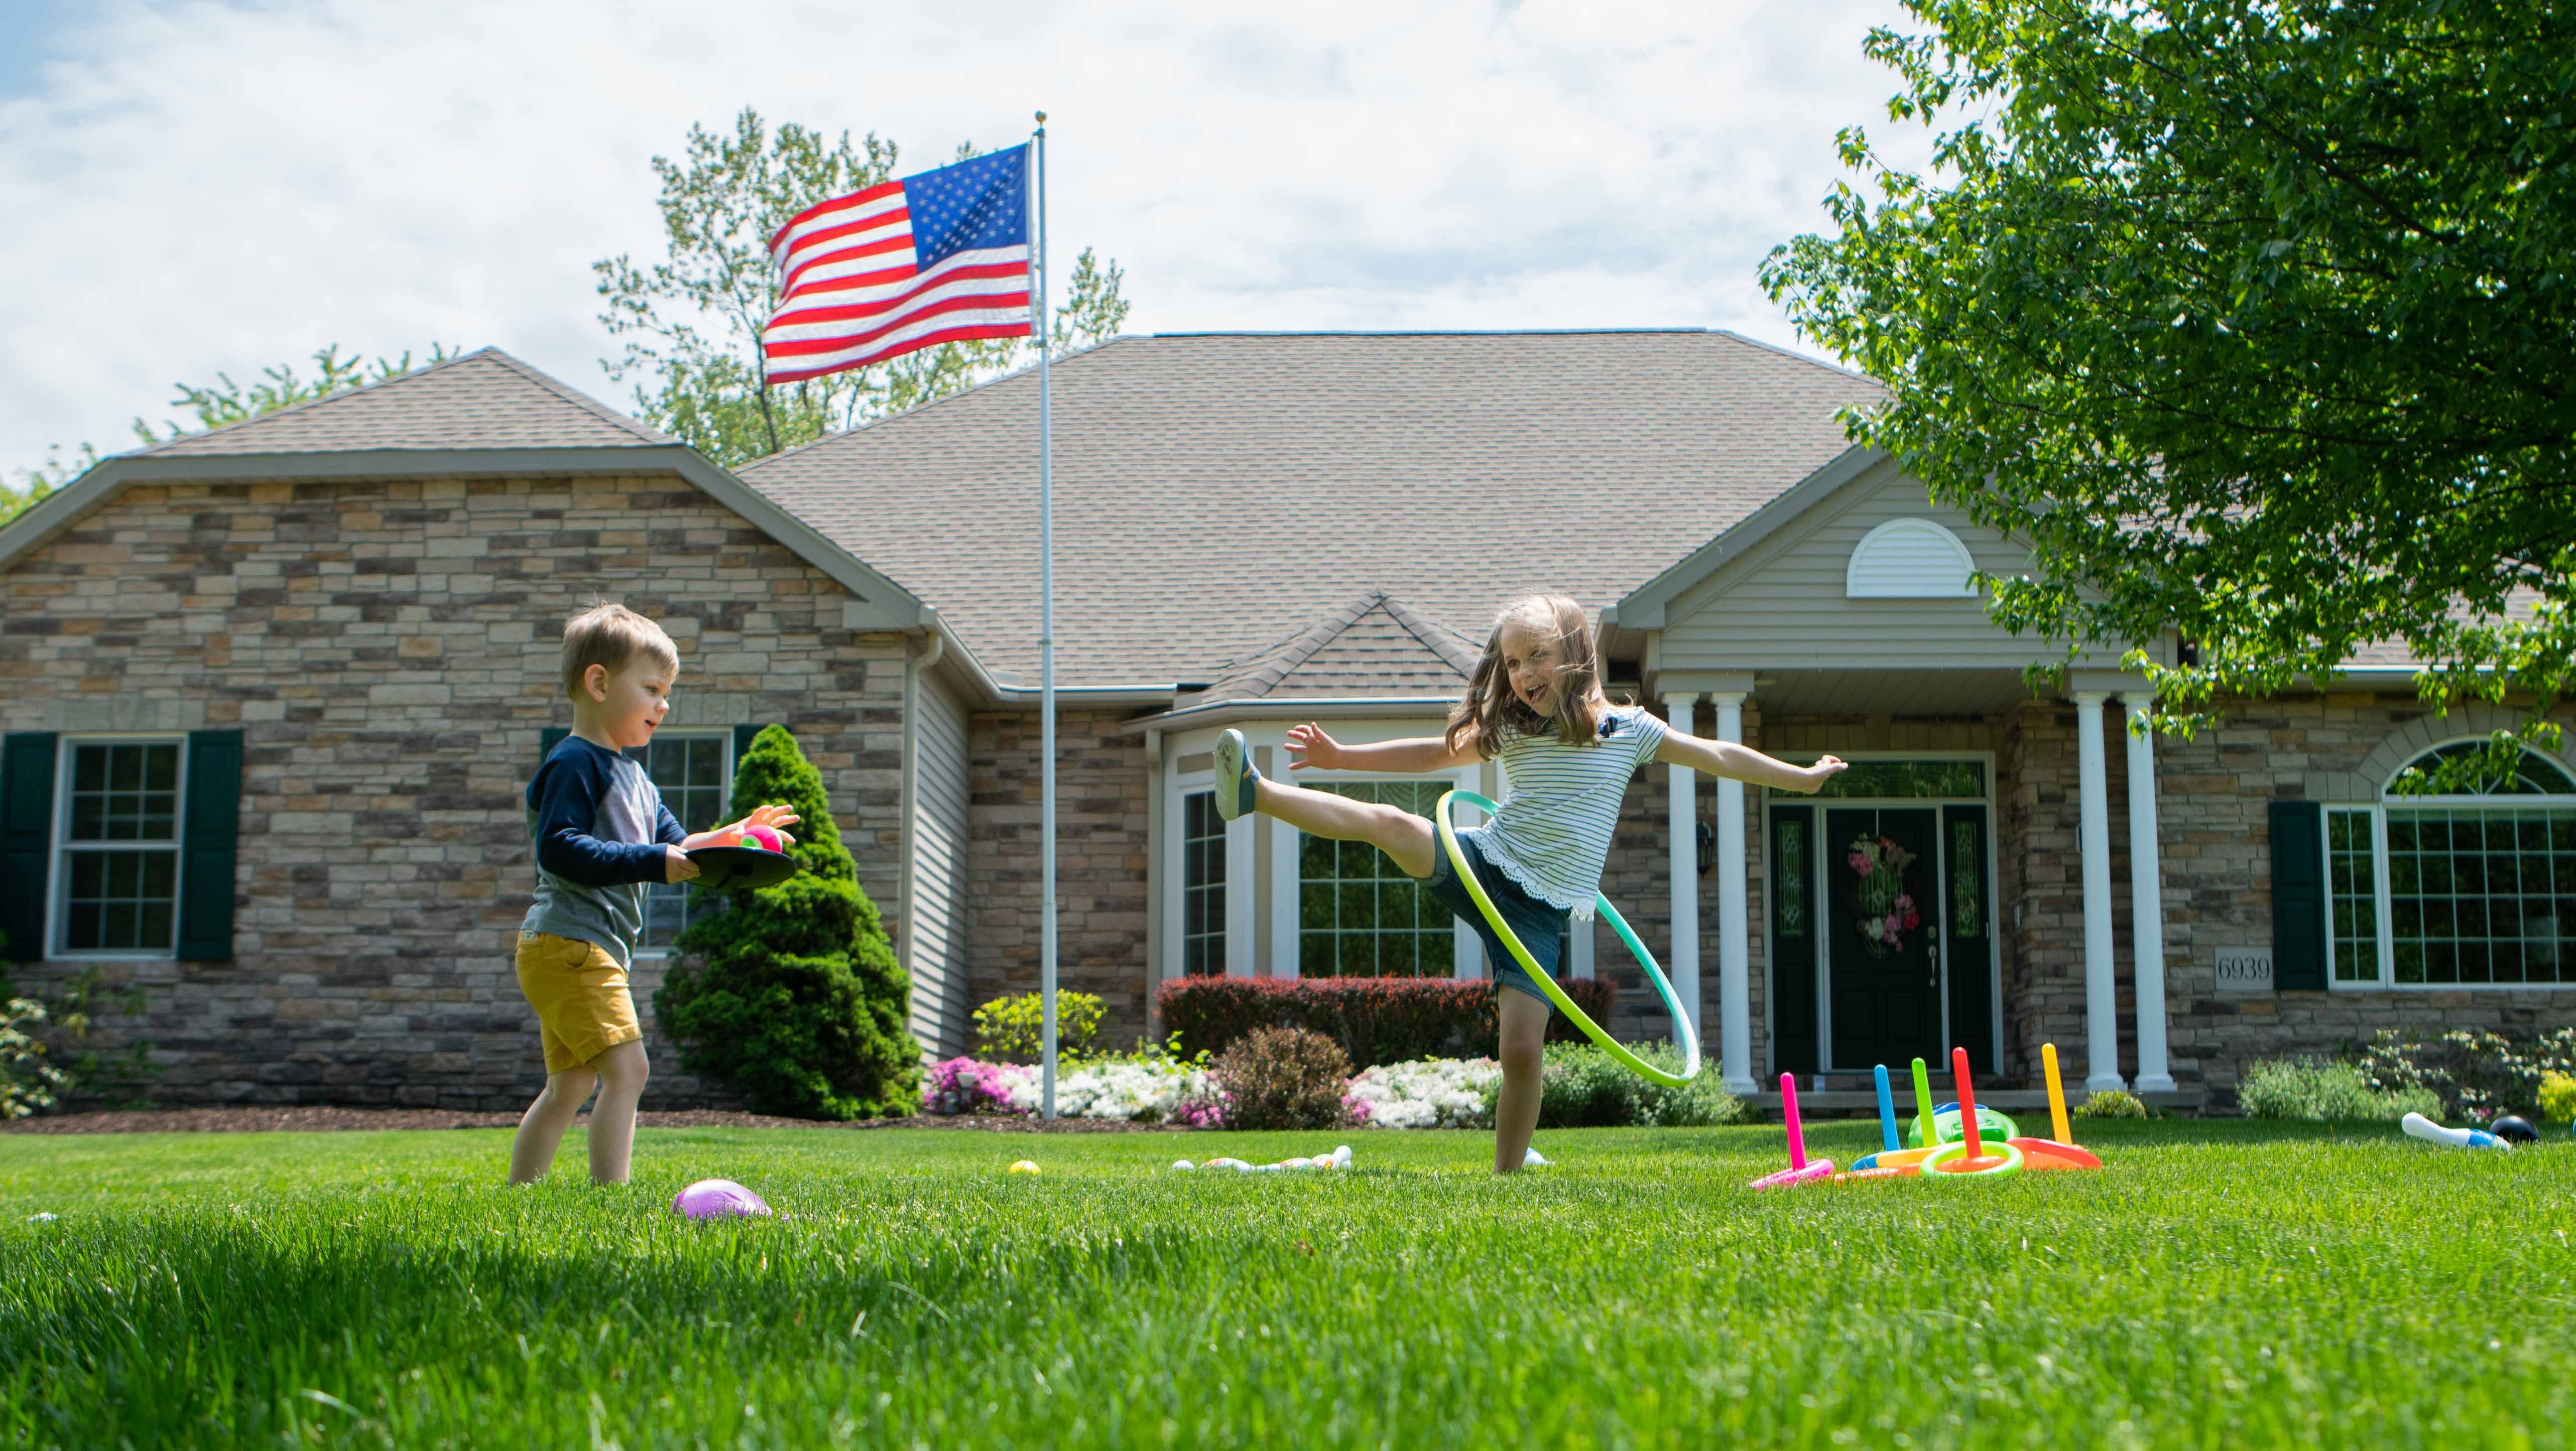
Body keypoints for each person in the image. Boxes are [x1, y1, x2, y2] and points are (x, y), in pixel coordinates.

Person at [1212, 593, 1843, 1173]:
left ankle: (1505, 1175)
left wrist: (1800, 778)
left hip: (1539, 913)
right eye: (1512, 662)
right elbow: (1435, 754)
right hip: (1485, 863)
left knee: (1520, 1049)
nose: (1522, 674)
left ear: (1574, 653)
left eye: (1535, 656)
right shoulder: (1513, 728)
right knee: (1390, 823)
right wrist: (1342, 757)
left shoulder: (1630, 732)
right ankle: (1256, 791)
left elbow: (1720, 756)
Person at [507, 601, 800, 1185]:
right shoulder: (573, 763)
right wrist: (654, 860)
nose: (664, 705)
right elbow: (560, 847)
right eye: (652, 689)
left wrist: (731, 838)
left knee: (571, 1082)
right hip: (568, 943)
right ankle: (610, 1196)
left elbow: (676, 845)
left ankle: (522, 1196)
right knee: (629, 1067)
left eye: (668, 692)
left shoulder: (636, 777)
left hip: (581, 947)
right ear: (598, 682)